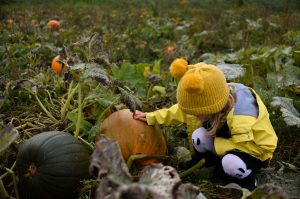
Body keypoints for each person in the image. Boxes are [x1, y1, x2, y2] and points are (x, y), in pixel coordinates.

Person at [134, 58, 278, 191]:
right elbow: (177, 112)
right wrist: (149, 117)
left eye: (196, 113)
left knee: (230, 163)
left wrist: (217, 145)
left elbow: (251, 147)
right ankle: (205, 163)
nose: (193, 115)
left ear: (211, 108)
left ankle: (249, 183)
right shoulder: (211, 99)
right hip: (225, 142)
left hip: (254, 151)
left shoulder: (242, 118)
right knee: (199, 137)